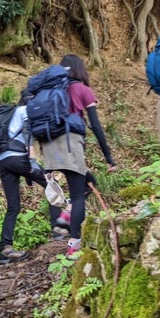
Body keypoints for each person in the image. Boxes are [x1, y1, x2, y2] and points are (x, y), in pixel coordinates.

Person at [41, 55, 116, 258]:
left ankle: (65, 217)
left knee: (88, 181)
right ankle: (74, 244)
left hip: (49, 144)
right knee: (77, 193)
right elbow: (96, 126)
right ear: (80, 70)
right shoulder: (82, 90)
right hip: (69, 143)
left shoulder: (50, 91)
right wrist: (108, 157)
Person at [0, 90, 47, 264]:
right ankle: (60, 229)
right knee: (50, 182)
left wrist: (28, 176)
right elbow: (27, 135)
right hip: (17, 157)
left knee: (13, 207)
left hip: (2, 160)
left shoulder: (11, 114)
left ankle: (5, 249)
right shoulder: (25, 111)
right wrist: (32, 163)